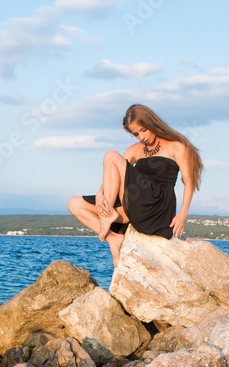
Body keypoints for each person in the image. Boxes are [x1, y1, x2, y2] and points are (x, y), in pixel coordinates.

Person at [68, 104, 204, 265]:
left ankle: (108, 214)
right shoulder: (134, 150)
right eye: (136, 134)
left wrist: (182, 214)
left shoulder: (176, 146)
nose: (141, 136)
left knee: (111, 154)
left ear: (152, 123)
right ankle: (113, 238)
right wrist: (100, 193)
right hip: (134, 204)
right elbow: (114, 173)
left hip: (157, 203)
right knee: (74, 204)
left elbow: (189, 182)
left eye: (143, 130)